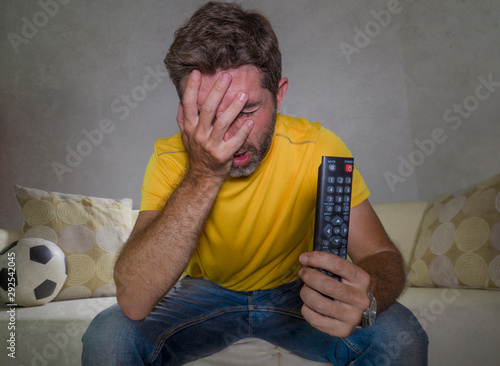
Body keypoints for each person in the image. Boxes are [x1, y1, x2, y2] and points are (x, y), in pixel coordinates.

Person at [82, 2, 428, 365]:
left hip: (294, 292)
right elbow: (134, 300)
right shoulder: (172, 157)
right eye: (206, 114)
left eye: (246, 111)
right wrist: (203, 173)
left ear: (279, 94)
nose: (228, 136)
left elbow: (380, 256)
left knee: (398, 335)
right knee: (109, 336)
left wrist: (367, 297)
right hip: (207, 294)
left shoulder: (317, 146)